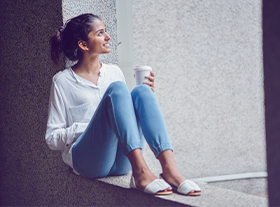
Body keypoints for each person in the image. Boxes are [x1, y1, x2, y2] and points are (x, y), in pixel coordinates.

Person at [46, 13, 201, 196]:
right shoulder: (63, 81)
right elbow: (52, 138)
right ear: (84, 44)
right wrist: (88, 128)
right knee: (118, 89)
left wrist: (145, 101)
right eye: (100, 33)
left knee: (142, 91)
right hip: (89, 162)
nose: (108, 37)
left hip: (121, 162)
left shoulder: (114, 72)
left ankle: (169, 170)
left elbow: (123, 119)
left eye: (106, 31)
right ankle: (141, 172)